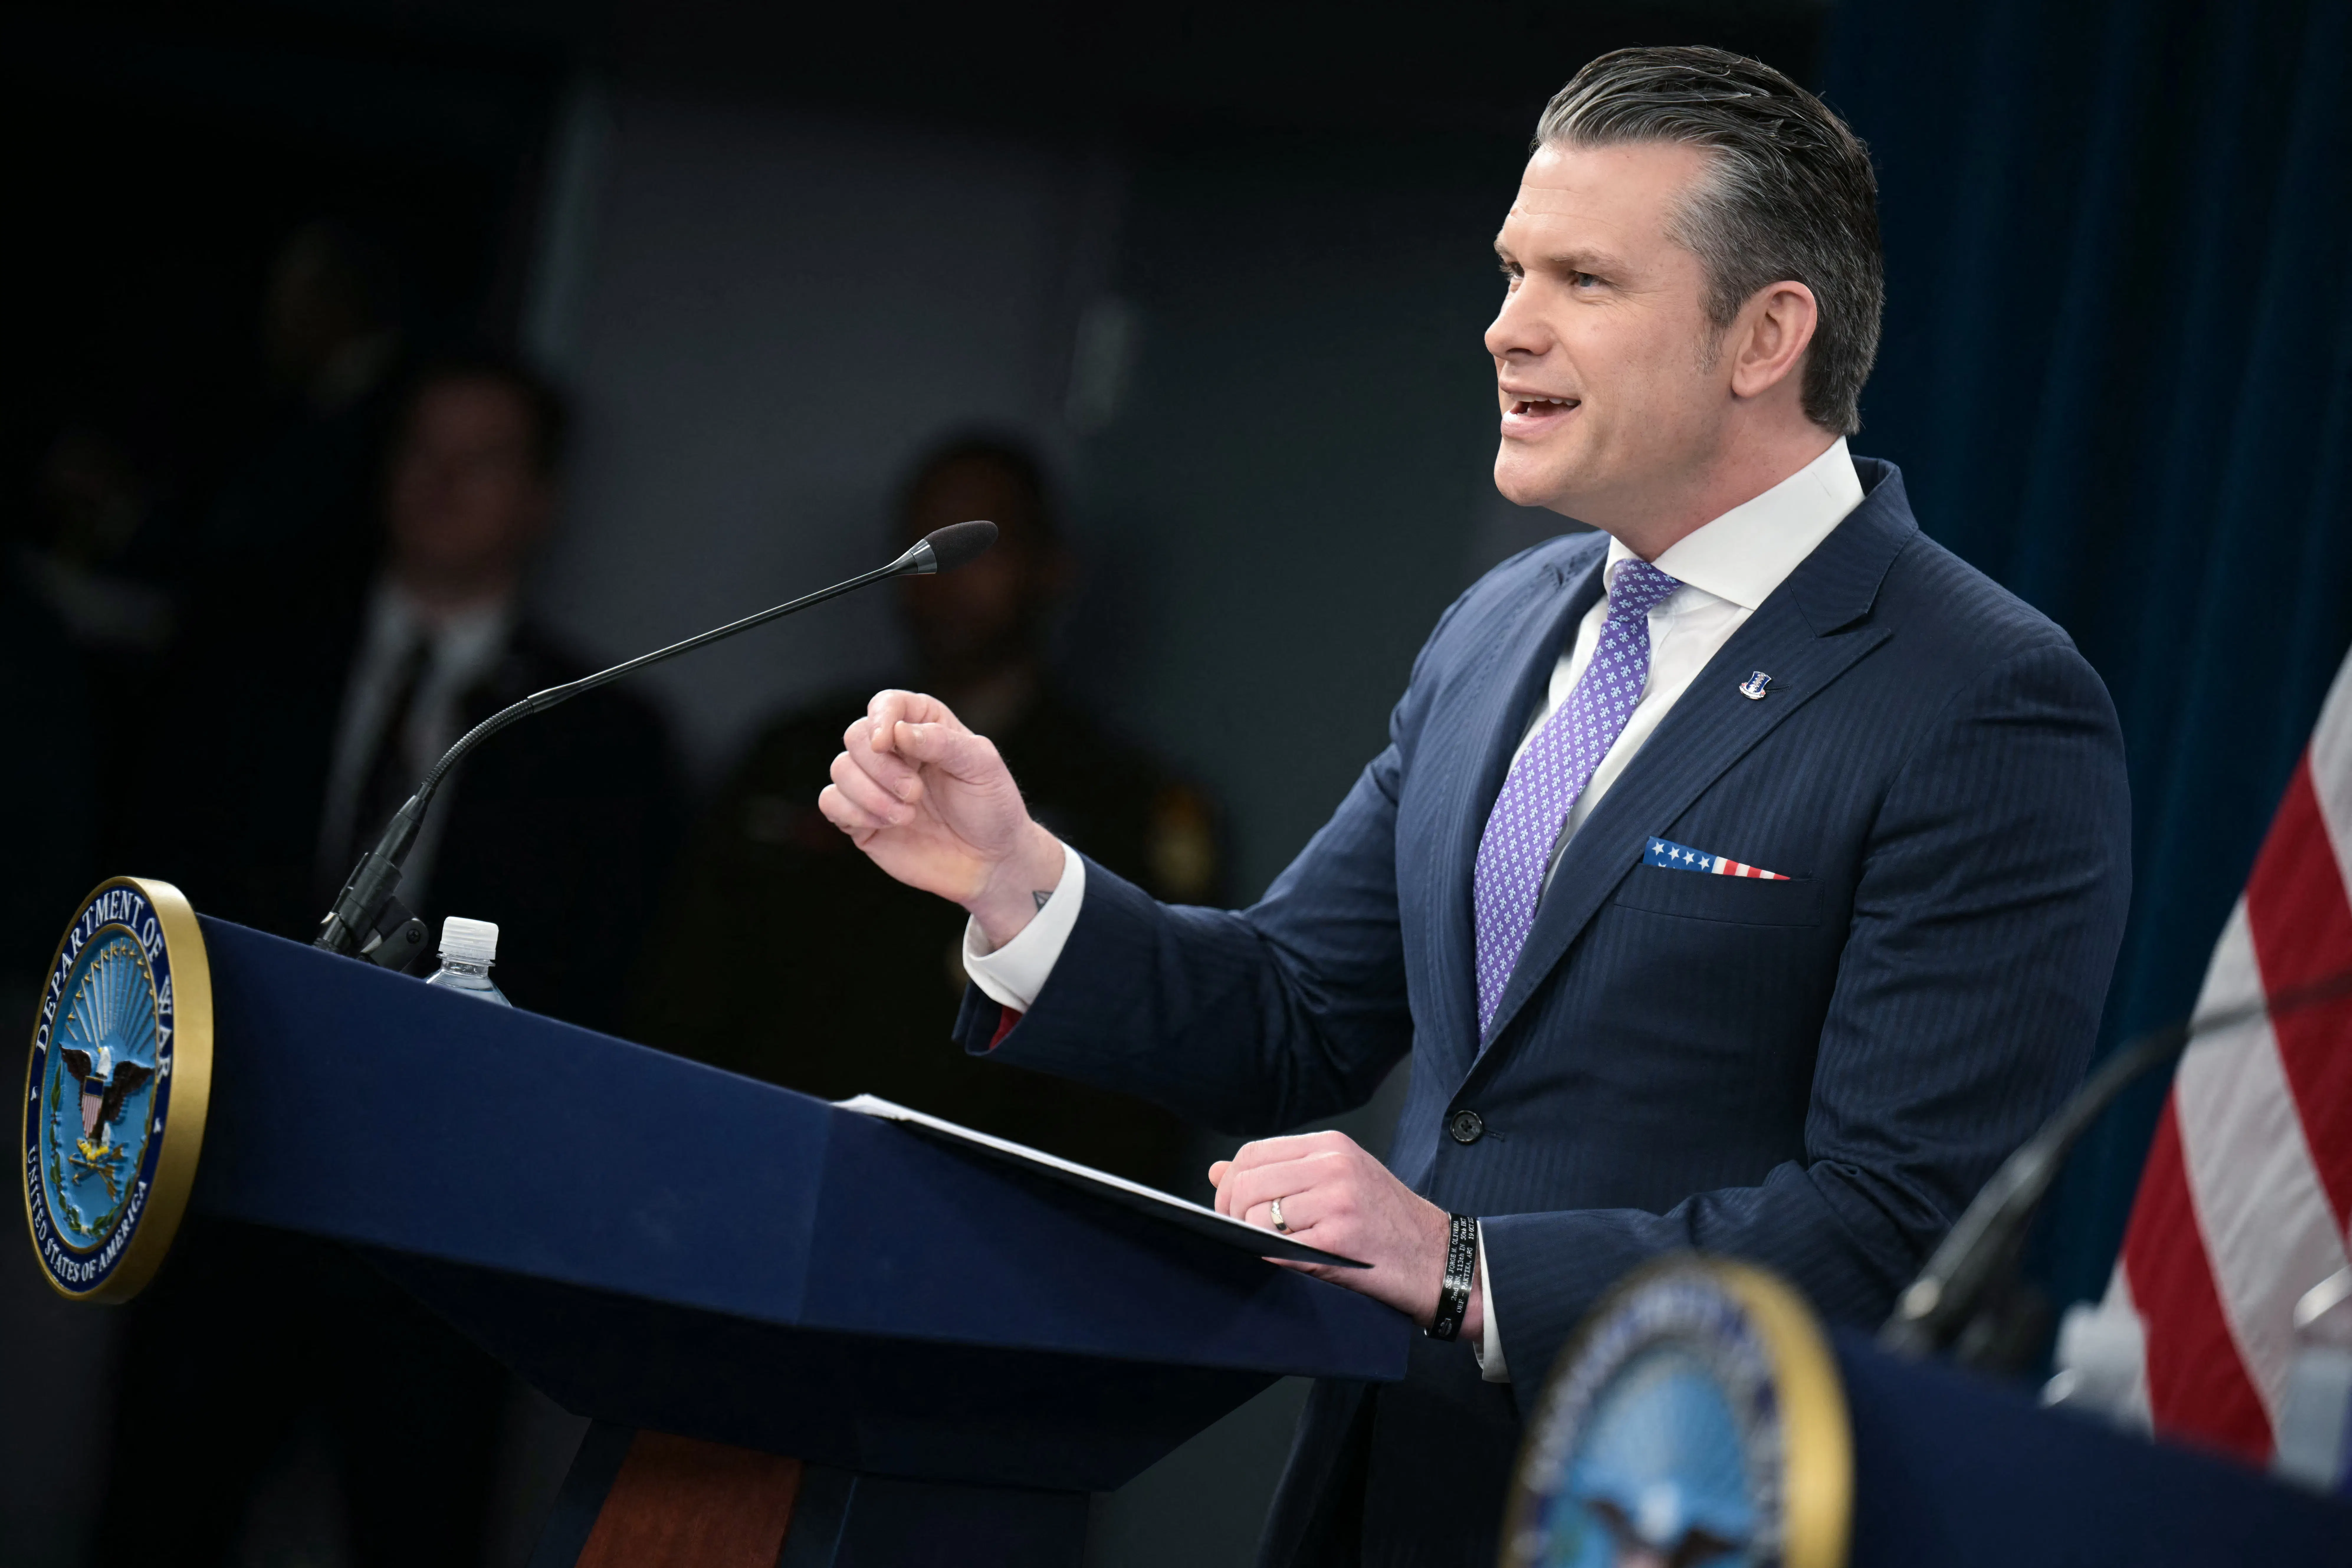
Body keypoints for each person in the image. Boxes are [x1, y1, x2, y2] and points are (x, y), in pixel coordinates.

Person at [819, 47, 2132, 1566]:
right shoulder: (1501, 625)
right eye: (1513, 271)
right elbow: (1295, 1009)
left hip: (1669, 1516)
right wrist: (1016, 879)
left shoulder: (1980, 695)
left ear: (1766, 335)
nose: (1506, 326)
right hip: (1381, 1487)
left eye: (1584, 280)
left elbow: (1900, 1225)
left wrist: (1463, 1266)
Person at [96, 354, 682, 1567]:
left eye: (484, 458)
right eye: (423, 448)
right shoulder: (241, 668)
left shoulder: (602, 734)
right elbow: (143, 903)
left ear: (540, 499)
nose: (444, 480)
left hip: (442, 1235)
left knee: (417, 1527)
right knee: (159, 1514)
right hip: (220, 1180)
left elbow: (606, 995)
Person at [633, 438, 1220, 1188]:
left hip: (978, 1202)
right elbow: (683, 992)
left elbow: (1139, 1072)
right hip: (754, 1163)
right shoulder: (796, 753)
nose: (947, 578)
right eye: (923, 544)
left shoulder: (1124, 797)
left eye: (979, 547)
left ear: (1052, 567)